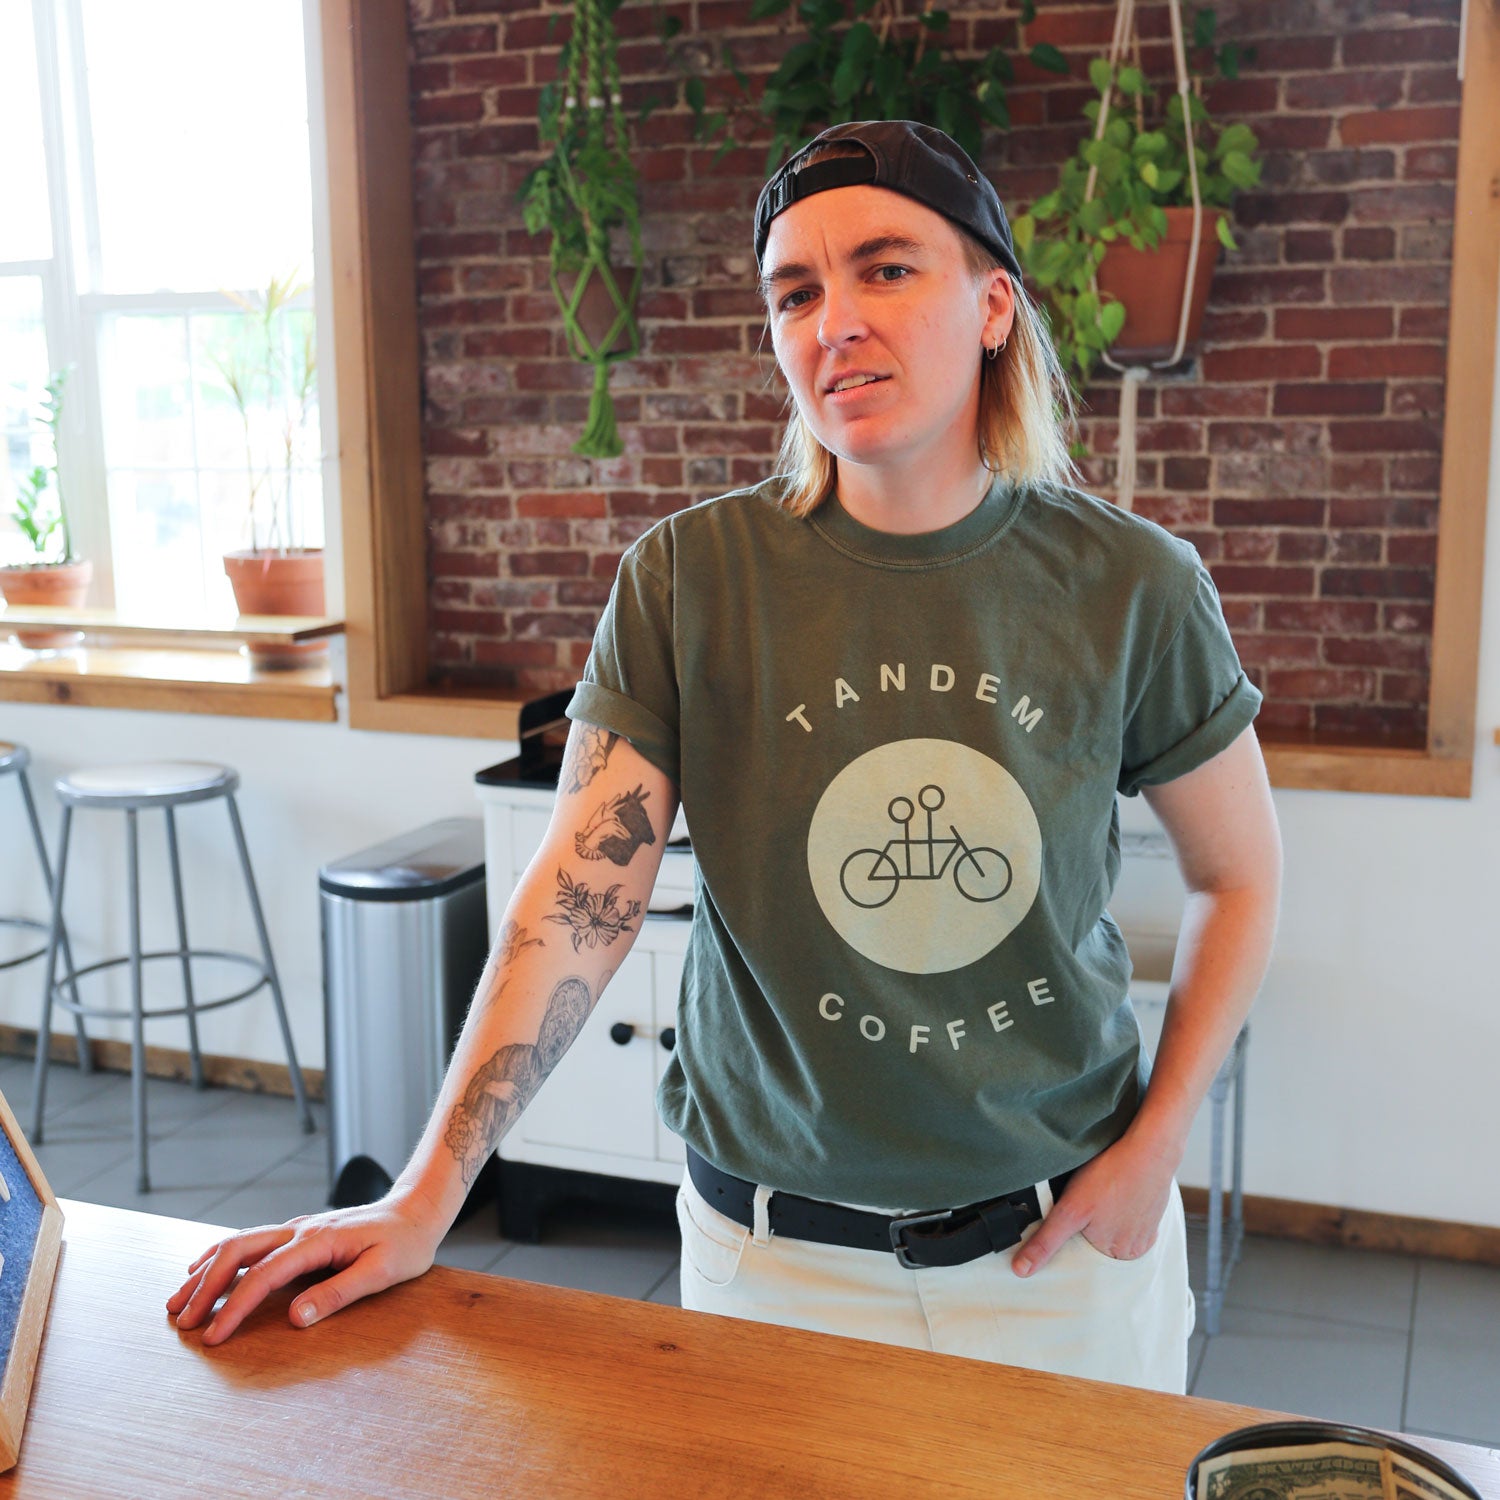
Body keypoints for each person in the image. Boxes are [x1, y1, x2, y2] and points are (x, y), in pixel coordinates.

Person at [169, 120, 1281, 1394]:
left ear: (993, 306)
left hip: (1063, 1260)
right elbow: (579, 902)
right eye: (794, 292)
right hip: (767, 1269)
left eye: (886, 269)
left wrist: (1158, 1140)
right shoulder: (690, 580)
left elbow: (1238, 878)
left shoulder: (1132, 585)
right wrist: (428, 1195)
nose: (834, 321)